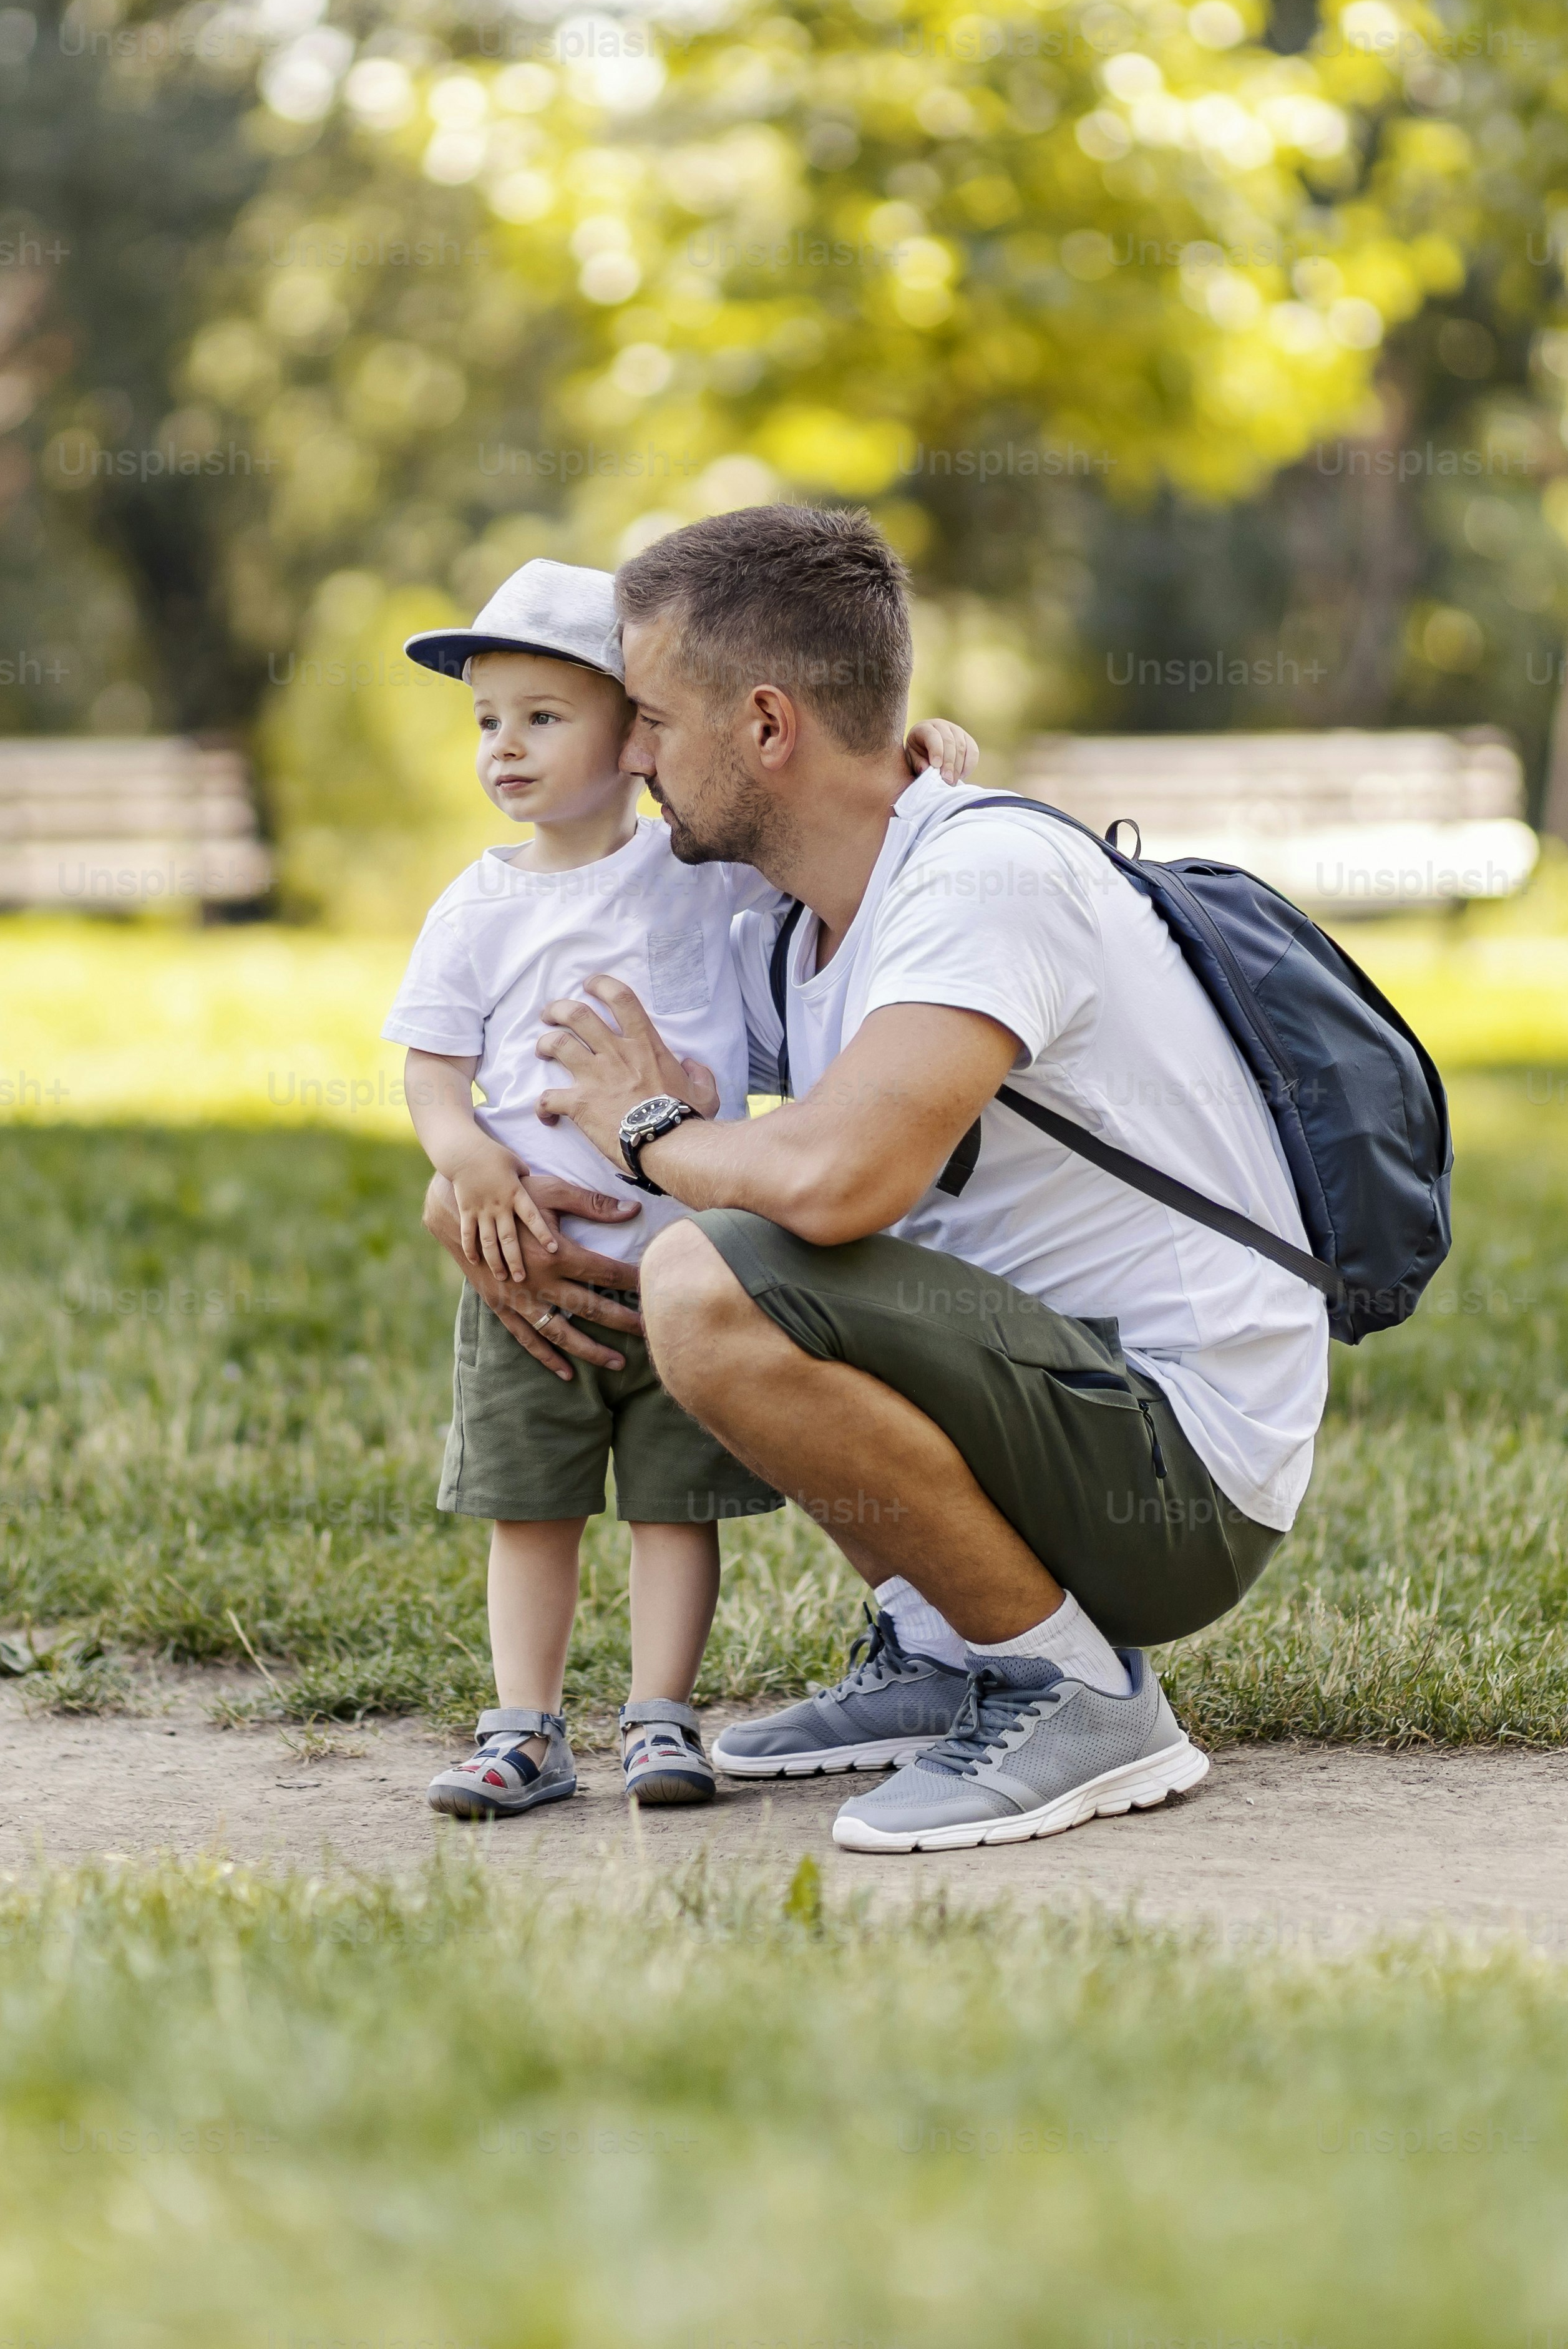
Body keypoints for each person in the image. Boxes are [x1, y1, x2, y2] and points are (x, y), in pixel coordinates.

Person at [440, 505, 1329, 1855]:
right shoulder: (783, 925)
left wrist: (645, 1129)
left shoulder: (985, 876)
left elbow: (836, 1178)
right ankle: (941, 1646)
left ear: (768, 726)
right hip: (1063, 1403)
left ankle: (1075, 1690)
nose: (630, 753)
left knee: (716, 1278)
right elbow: (550, 1074)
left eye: (653, 720)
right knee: (730, 1259)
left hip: (1181, 1471)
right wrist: (478, 1190)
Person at [384, 557, 978, 1821]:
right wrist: (467, 1158)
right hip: (533, 1272)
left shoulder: (697, 870)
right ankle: (524, 1727)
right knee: (529, 1506)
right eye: (488, 721)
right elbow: (430, 1067)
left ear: (632, 729)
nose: (506, 747)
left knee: (671, 1507)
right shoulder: (475, 905)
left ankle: (662, 1714)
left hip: (685, 1268)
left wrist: (915, 752)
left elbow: (838, 827)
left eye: (545, 716)